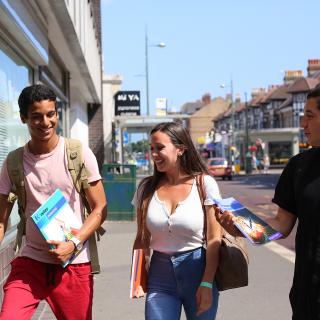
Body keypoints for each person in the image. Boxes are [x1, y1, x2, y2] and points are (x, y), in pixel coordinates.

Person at [0, 84, 107, 320]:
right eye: (36, 116)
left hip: (74, 263)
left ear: (57, 114)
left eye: (51, 114)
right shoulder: (14, 162)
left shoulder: (78, 154)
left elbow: (100, 208)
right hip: (31, 262)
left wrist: (73, 243)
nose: (45, 122)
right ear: (23, 118)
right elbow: (1, 218)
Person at [214, 84, 320, 320]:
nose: (304, 125)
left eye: (310, 117)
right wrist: (239, 227)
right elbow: (281, 226)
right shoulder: (299, 167)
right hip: (309, 297)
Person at [132, 121, 222, 319]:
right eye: (151, 149)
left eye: (160, 148)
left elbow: (215, 238)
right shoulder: (146, 188)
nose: (154, 154)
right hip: (159, 277)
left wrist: (207, 283)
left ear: (180, 149)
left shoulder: (205, 184)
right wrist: (137, 277)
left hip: (198, 272)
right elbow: (141, 239)